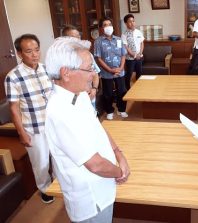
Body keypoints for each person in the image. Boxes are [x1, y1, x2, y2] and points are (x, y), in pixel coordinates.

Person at [44, 37, 130, 223]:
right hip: (91, 199)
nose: (94, 73)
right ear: (66, 73)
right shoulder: (60, 112)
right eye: (90, 68)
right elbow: (95, 165)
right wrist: (120, 172)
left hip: (104, 183)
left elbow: (97, 126)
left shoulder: (79, 94)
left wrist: (119, 154)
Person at [4, 34, 54, 203]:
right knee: (41, 163)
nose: (34, 54)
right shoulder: (13, 76)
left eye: (37, 50)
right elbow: (13, 108)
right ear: (19, 54)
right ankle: (45, 189)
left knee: (58, 156)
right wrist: (21, 133)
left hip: (53, 125)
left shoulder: (46, 68)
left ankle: (60, 184)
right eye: (29, 51)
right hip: (34, 128)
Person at [94, 17, 128, 120]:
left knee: (122, 91)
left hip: (120, 71)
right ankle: (109, 110)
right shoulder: (98, 41)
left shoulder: (118, 39)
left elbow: (123, 55)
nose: (108, 26)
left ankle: (121, 109)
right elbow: (98, 58)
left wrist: (121, 67)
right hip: (106, 72)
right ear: (101, 28)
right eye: (105, 25)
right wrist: (109, 70)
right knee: (108, 93)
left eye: (109, 24)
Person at [62, 25, 101, 111]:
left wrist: (94, 89)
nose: (77, 39)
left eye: (78, 36)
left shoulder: (87, 55)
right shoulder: (61, 58)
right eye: (73, 37)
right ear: (65, 39)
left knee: (92, 118)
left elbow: (95, 73)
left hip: (89, 96)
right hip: (73, 98)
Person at [121, 14, 145, 90]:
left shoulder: (138, 32)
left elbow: (142, 43)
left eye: (133, 21)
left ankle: (139, 88)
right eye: (130, 21)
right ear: (126, 23)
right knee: (129, 74)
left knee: (139, 73)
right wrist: (134, 55)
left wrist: (140, 53)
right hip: (130, 59)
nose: (132, 23)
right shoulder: (124, 35)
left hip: (139, 57)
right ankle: (127, 89)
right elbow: (126, 47)